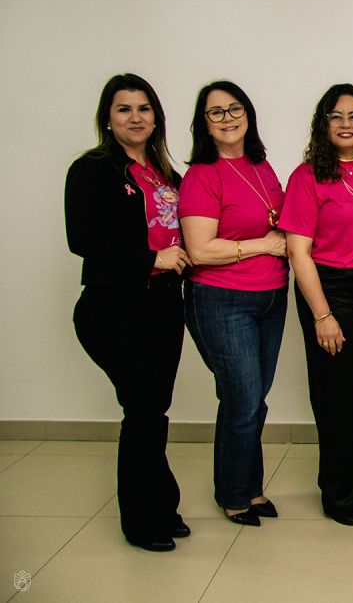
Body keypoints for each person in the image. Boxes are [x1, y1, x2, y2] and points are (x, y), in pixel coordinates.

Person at [65, 73, 189, 552]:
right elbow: (83, 238)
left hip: (163, 305)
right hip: (113, 307)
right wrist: (152, 258)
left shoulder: (166, 173)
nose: (135, 117)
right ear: (108, 118)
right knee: (142, 409)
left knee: (153, 410)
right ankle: (141, 522)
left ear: (156, 116)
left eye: (144, 108)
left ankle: (162, 506)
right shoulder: (93, 169)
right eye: (124, 109)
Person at [282, 84, 353, 527]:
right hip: (331, 289)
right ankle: (340, 494)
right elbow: (298, 253)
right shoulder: (306, 177)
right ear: (323, 124)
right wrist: (322, 315)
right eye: (336, 116)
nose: (346, 124)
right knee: (337, 394)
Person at [180, 81, 288, 526]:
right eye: (216, 112)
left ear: (248, 114)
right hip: (223, 300)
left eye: (235, 108)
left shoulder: (262, 166)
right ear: (204, 124)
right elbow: (200, 250)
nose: (227, 118)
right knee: (242, 401)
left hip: (271, 298)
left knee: (254, 400)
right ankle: (233, 495)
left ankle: (251, 487)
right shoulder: (202, 175)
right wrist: (264, 245)